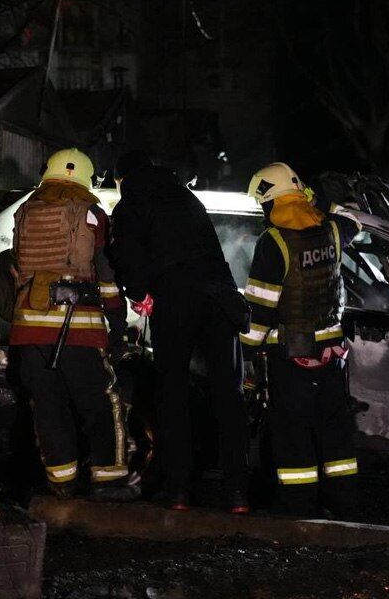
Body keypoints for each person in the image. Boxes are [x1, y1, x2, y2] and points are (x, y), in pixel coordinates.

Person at [108, 151, 250, 513]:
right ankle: (237, 494)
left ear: (123, 179)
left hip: (176, 302)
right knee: (229, 396)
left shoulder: (130, 205)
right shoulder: (186, 198)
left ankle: (179, 492)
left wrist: (139, 294)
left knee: (172, 395)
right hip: (220, 300)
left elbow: (125, 256)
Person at [9, 148, 135, 500]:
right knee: (100, 401)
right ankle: (109, 479)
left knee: (47, 406)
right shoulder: (91, 214)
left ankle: (61, 482)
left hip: (28, 327)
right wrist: (116, 318)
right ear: (86, 177)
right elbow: (106, 273)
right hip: (78, 326)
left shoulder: (25, 211)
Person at [240, 162, 362, 518]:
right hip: (332, 353)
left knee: (293, 433)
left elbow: (261, 307)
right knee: (335, 430)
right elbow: (353, 219)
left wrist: (245, 351)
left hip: (291, 357)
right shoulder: (332, 231)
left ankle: (298, 505)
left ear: (268, 200)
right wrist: (317, 199)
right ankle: (344, 502)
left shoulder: (273, 242)